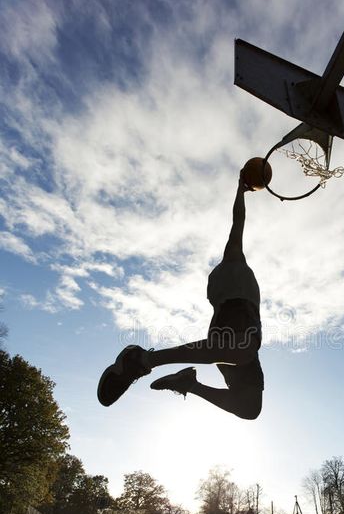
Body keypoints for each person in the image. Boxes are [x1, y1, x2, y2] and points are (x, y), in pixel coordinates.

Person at [97, 173, 264, 420]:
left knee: (249, 407)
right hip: (237, 322)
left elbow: (237, 223)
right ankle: (142, 359)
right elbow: (237, 221)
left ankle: (188, 383)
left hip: (238, 330)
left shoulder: (230, 276)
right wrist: (240, 191)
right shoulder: (233, 261)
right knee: (241, 350)